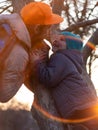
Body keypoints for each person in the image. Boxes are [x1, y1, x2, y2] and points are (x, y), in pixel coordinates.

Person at [32, 31, 98, 130]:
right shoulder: (69, 60)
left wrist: (37, 63)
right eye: (57, 38)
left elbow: (48, 78)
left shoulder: (61, 58)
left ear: (70, 47)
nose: (56, 40)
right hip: (86, 107)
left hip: (79, 108)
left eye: (62, 39)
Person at [0, 1, 63, 102]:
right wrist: (28, 68)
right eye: (48, 28)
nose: (49, 32)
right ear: (37, 28)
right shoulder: (20, 54)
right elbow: (4, 96)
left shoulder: (6, 22)